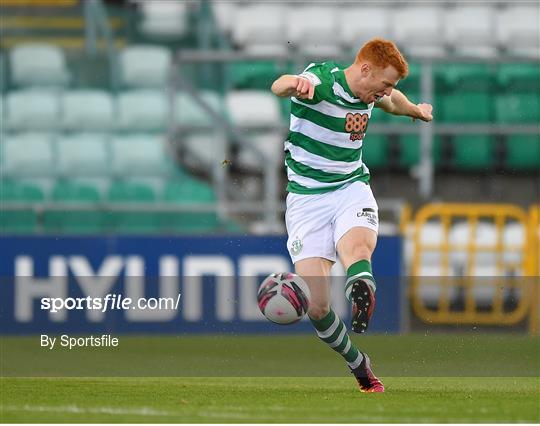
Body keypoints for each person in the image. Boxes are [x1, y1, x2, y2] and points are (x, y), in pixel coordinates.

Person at [271, 38, 433, 392]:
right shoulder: (321, 82)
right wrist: (294, 84)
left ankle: (362, 285)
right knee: (316, 306)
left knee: (358, 249)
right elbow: (279, 85)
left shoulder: (372, 95)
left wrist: (415, 111)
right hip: (306, 200)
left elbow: (391, 101)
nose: (387, 90)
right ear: (364, 70)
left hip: (349, 187)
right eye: (385, 82)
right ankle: (358, 362)